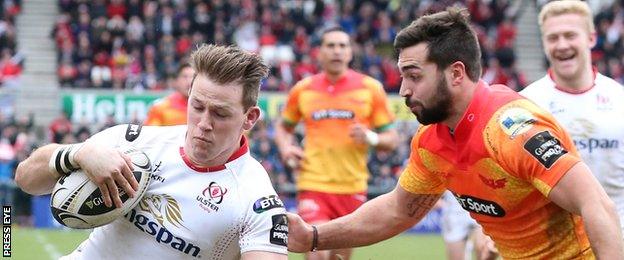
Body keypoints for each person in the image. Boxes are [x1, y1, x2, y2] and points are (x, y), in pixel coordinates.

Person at [286, 7, 624, 259]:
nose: (403, 89)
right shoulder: (432, 140)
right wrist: (314, 236)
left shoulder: (511, 128)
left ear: (456, 73)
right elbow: (398, 211)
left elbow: (596, 204)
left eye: (414, 75)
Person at [15, 44, 288, 259]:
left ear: (250, 118)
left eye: (220, 113)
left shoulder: (256, 200)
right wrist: (77, 154)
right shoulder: (136, 140)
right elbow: (25, 178)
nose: (204, 124)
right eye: (197, 106)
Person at [274, 27, 399, 260]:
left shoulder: (370, 89)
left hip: (352, 186)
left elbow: (391, 139)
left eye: (342, 46)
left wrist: (371, 137)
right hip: (314, 183)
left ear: (350, 52)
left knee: (339, 257)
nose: (337, 51)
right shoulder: (303, 89)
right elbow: (283, 127)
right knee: (318, 253)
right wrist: (286, 148)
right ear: (319, 52)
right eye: (330, 46)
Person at [521, 0, 624, 233]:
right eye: (553, 38)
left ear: (591, 38)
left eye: (570, 35)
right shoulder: (525, 105)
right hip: (553, 245)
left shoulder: (620, 100)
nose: (562, 45)